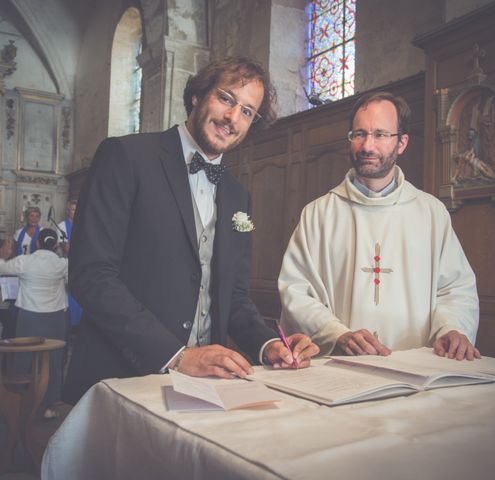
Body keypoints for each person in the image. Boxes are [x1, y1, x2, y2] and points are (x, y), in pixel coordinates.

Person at [63, 56, 319, 404]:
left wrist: (269, 345)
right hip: (120, 379)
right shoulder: (126, 156)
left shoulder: (237, 195)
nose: (233, 118)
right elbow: (91, 275)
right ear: (198, 96)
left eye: (247, 111)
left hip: (203, 388)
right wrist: (177, 355)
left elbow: (235, 298)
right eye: (226, 99)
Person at [278, 91, 480, 361]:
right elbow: (296, 291)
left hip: (416, 368)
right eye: (359, 134)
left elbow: (455, 288)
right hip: (340, 369)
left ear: (402, 143)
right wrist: (336, 333)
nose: (367, 146)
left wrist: (453, 328)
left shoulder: (431, 213)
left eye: (381, 135)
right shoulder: (319, 214)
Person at [0, 228, 68, 419]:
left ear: (37, 243)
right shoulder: (61, 264)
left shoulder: (24, 261)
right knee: (53, 361)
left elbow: (0, 269)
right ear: (55, 245)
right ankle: (49, 406)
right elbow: (73, 279)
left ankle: (18, 402)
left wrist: (4, 256)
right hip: (55, 317)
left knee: (23, 357)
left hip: (29, 316)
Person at [57, 200, 82, 329]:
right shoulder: (61, 226)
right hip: (66, 263)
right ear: (68, 211)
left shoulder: (83, 224)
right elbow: (65, 248)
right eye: (72, 209)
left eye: (77, 209)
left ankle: (78, 324)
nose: (75, 212)